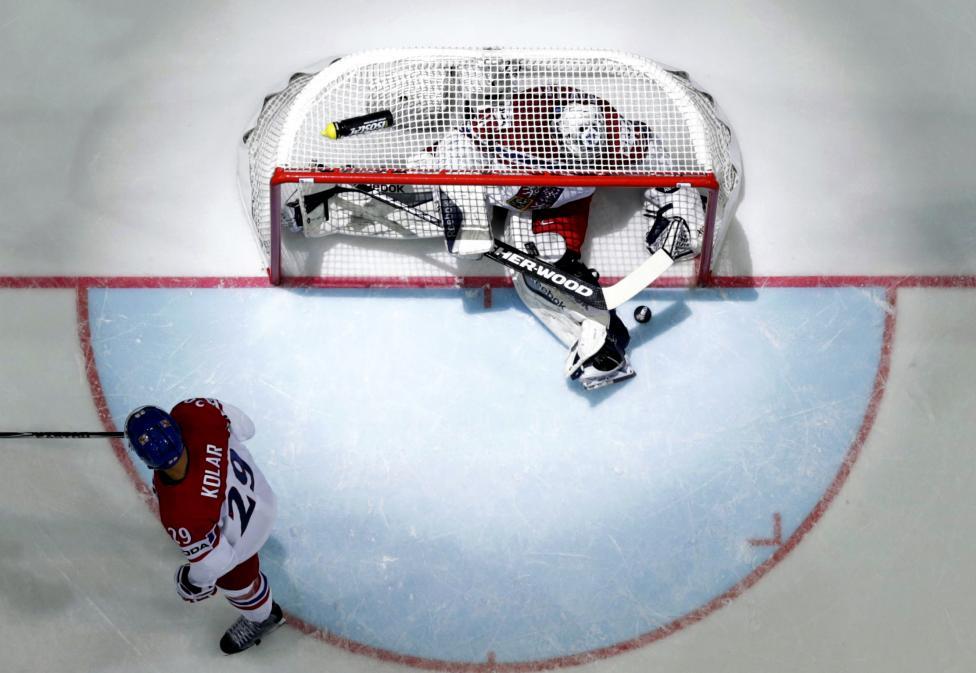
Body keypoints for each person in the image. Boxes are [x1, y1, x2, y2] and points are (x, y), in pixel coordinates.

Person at [124, 399, 283, 655]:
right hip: (262, 495)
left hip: (243, 539)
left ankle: (263, 618)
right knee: (209, 541)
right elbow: (247, 428)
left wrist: (192, 583)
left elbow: (217, 563)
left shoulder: (180, 514)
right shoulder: (196, 413)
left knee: (236, 581)